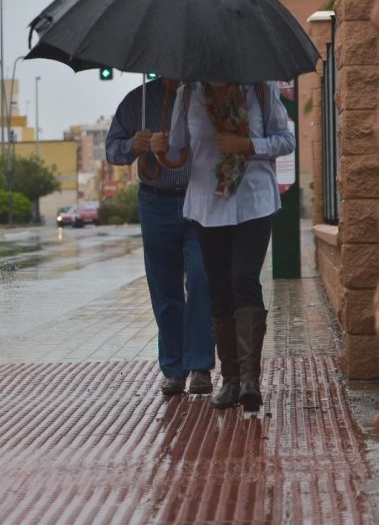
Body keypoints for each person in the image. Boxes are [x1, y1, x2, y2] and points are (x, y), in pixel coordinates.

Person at [152, 81, 295, 412]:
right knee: (218, 288)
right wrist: (161, 150)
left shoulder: (260, 90)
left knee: (244, 278)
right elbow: (178, 155)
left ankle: (250, 382)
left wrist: (247, 144)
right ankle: (230, 380)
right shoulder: (189, 95)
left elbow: (287, 141)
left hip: (254, 199)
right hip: (207, 204)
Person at [106, 77, 213, 397]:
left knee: (200, 282)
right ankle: (174, 369)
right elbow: (112, 149)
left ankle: (201, 366)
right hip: (156, 202)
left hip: (199, 201)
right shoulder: (136, 101)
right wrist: (132, 146)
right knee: (164, 289)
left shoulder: (203, 96)